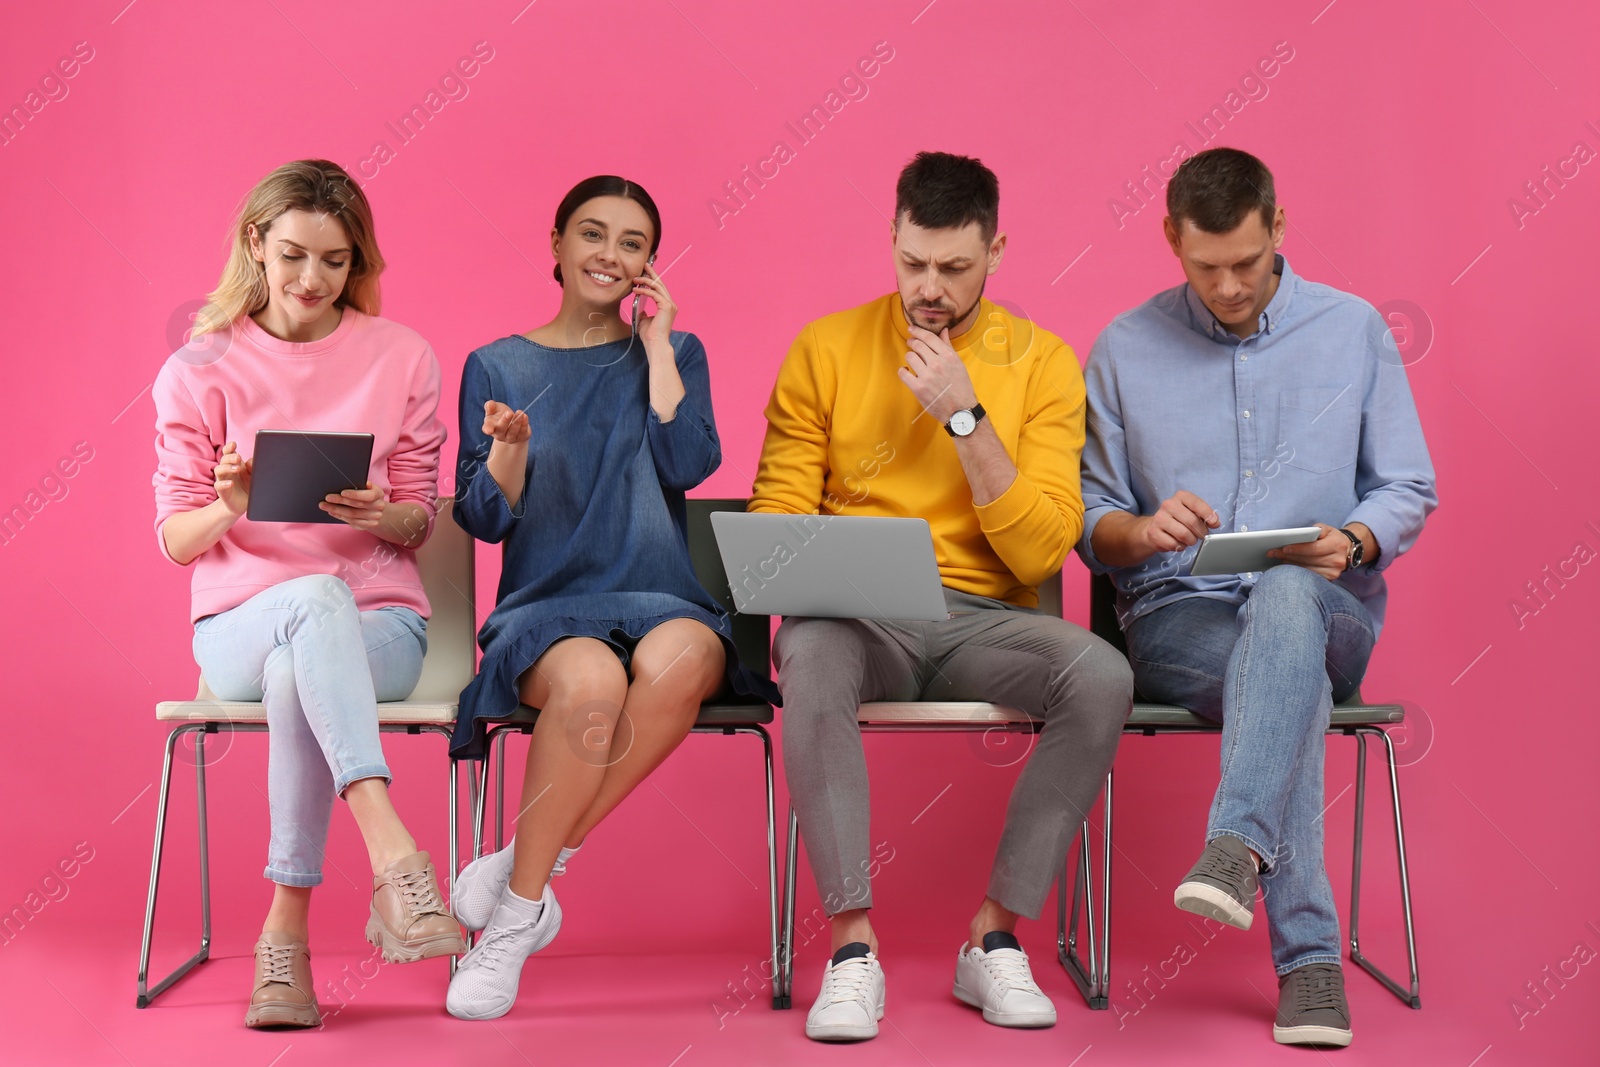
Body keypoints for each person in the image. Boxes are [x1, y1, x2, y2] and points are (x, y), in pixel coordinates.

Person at [751, 151, 1133, 1041]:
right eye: (914, 262)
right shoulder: (827, 346)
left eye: (955, 268)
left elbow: (1043, 546)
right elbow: (776, 524)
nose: (931, 287)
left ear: (995, 252)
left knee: (1101, 675)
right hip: (857, 614)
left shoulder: (1040, 361)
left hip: (986, 618)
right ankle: (852, 949)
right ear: (891, 238)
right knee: (808, 650)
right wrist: (831, 568)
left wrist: (965, 418)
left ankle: (993, 936)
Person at [1077, 146, 1438, 1048]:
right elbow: (1091, 517)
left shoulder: (1353, 329)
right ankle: (1309, 964)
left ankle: (1236, 845)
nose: (1231, 286)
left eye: (1247, 262)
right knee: (1293, 688)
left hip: (1329, 605)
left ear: (1278, 227)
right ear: (1172, 239)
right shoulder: (1124, 346)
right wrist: (1145, 528)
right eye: (1206, 267)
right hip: (1178, 616)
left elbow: (1405, 487)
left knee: (1286, 598)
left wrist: (1350, 540)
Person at [444, 175, 780, 1021]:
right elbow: (483, 516)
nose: (609, 254)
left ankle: (518, 885)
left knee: (682, 659)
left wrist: (660, 344)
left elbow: (687, 465)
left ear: (648, 268)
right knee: (591, 684)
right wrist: (510, 451)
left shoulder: (678, 353)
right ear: (555, 244)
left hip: (662, 594)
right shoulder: (498, 363)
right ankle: (522, 918)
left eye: (632, 243)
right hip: (548, 605)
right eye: (592, 234)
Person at [152, 159, 461, 1030]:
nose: (313, 279)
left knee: (307, 657)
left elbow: (420, 521)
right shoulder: (197, 368)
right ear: (257, 243)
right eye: (293, 255)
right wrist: (230, 505)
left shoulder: (400, 354)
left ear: (356, 259)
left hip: (380, 630)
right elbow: (178, 541)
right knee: (310, 605)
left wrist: (389, 512)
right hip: (238, 629)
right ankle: (393, 853)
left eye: (335, 259)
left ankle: (283, 939)